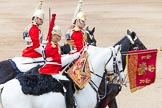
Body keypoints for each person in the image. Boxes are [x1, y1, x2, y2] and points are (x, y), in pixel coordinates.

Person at [39, 25, 78, 108]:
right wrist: (74, 56)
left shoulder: (55, 45)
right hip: (51, 71)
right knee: (67, 83)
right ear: (53, 35)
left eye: (60, 37)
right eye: (57, 36)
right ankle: (70, 105)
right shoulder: (52, 46)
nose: (59, 38)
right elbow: (59, 61)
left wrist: (71, 54)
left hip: (54, 69)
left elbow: (60, 57)